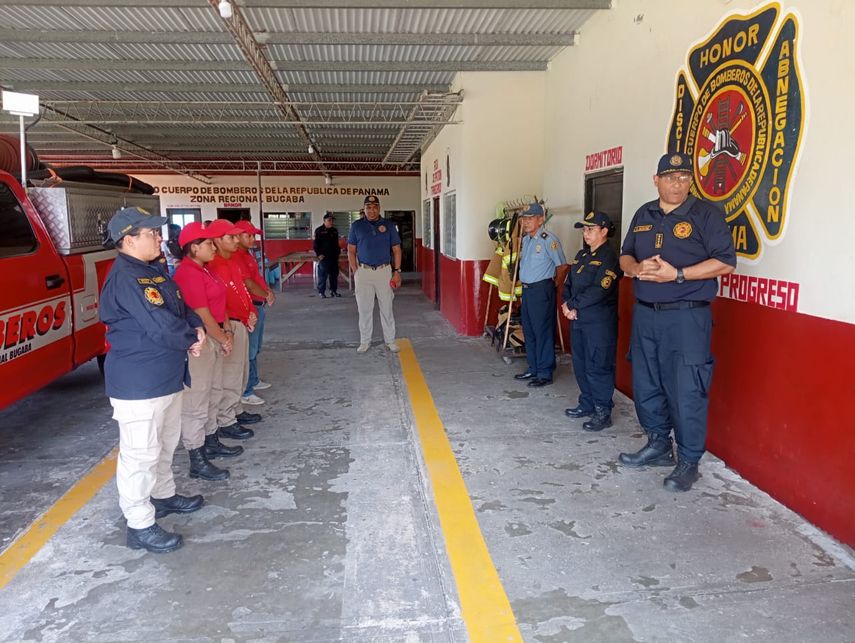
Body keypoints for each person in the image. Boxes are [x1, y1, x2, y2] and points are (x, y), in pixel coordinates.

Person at [618, 152, 736, 492]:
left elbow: (726, 263)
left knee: (687, 389)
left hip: (687, 316)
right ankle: (658, 445)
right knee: (647, 384)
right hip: (646, 315)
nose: (677, 183)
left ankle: (688, 460)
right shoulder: (644, 213)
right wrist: (637, 268)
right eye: (670, 177)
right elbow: (625, 254)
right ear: (656, 180)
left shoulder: (705, 215)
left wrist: (678, 274)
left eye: (684, 177)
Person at [99, 207, 206, 554]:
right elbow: (159, 324)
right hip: (139, 381)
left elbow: (179, 305)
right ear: (129, 240)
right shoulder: (127, 278)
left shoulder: (153, 271)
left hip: (165, 376)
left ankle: (163, 495)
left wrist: (196, 326)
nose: (160, 237)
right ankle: (139, 524)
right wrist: (191, 337)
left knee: (164, 443)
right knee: (140, 454)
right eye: (151, 233)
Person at [173, 221, 239, 481]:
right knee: (197, 401)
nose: (214, 247)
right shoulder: (187, 273)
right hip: (200, 342)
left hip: (215, 338)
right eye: (209, 243)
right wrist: (222, 337)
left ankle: (211, 440)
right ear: (193, 248)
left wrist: (226, 332)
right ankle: (196, 456)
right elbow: (201, 312)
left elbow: (218, 305)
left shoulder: (205, 270)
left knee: (214, 392)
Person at [561, 211, 620, 431]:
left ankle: (602, 412)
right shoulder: (581, 256)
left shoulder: (609, 258)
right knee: (581, 364)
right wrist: (567, 304)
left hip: (598, 323)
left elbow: (600, 290)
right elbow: (568, 282)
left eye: (591, 229)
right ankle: (586, 404)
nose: (586, 234)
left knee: (598, 367)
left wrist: (573, 305)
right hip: (578, 319)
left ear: (604, 231)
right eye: (584, 229)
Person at [208, 219, 260, 440]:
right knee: (230, 373)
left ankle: (236, 409)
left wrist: (250, 312)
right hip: (231, 325)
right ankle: (226, 419)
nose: (236, 240)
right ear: (218, 241)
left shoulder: (230, 262)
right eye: (231, 237)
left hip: (242, 322)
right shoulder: (216, 265)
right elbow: (221, 302)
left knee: (240, 371)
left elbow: (241, 292)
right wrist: (231, 325)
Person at [513, 202, 566, 387]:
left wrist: (553, 286)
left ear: (541, 219)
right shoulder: (526, 240)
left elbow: (562, 266)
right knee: (529, 330)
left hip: (542, 291)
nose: (525, 222)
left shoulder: (548, 240)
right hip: (527, 291)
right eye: (523, 219)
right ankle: (533, 368)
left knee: (543, 332)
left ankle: (544, 373)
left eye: (529, 218)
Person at [347, 195, 402, 353]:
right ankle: (365, 341)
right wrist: (356, 272)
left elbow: (396, 250)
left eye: (375, 207)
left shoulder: (389, 225)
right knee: (364, 309)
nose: (371, 210)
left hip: (384, 272)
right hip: (363, 272)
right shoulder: (356, 226)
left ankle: (390, 340)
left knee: (387, 307)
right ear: (364, 209)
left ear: (379, 208)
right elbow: (351, 251)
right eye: (368, 207)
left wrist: (396, 272)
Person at [235, 220, 275, 405]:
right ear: (237, 236)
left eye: (253, 235)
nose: (252, 239)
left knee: (255, 347)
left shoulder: (247, 254)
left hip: (258, 305)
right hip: (249, 306)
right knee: (249, 350)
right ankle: (246, 390)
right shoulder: (236, 256)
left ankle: (254, 380)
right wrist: (266, 294)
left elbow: (257, 277)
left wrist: (267, 290)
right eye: (248, 235)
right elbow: (248, 284)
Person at [314, 213, 341, 298]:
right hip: (324, 258)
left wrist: (338, 252)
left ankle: (333, 291)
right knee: (323, 275)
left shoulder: (334, 230)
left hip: (334, 257)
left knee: (334, 275)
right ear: (324, 221)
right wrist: (319, 255)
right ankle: (321, 292)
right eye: (329, 220)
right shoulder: (319, 231)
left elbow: (336, 244)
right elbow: (315, 245)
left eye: (332, 220)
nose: (331, 222)